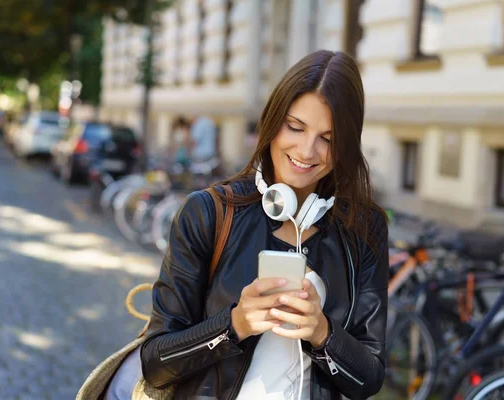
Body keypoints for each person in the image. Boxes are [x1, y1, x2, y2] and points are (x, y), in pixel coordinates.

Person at [139, 50, 388, 399]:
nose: (306, 150)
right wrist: (234, 324)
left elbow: (370, 378)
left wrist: (323, 334)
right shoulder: (208, 214)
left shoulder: (364, 228)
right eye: (295, 127)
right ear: (272, 122)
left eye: (327, 139)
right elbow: (155, 362)